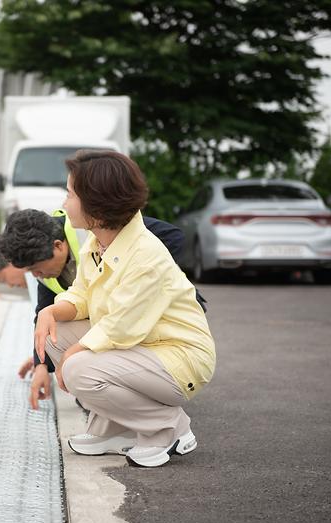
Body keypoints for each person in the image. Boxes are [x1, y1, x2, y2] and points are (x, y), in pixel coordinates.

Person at [34, 150, 216, 467]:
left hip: (179, 357)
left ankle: (169, 428)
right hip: (143, 347)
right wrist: (49, 312)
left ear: (98, 205)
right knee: (55, 335)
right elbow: (81, 296)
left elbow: (121, 327)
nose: (64, 203)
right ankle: (113, 429)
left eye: (70, 194)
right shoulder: (97, 242)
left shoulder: (146, 254)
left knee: (79, 369)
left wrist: (71, 357)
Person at [0, 208, 202, 406]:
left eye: (36, 269)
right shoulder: (46, 269)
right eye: (30, 271)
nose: (36, 275)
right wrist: (41, 366)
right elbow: (43, 314)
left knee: (78, 367)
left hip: (158, 316)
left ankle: (162, 419)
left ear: (58, 246)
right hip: (115, 324)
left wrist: (132, 285)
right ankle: (109, 403)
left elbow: (174, 237)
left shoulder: (91, 229)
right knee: (57, 333)